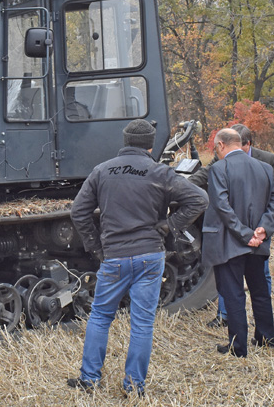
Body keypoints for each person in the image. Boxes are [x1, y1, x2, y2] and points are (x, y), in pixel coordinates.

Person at [66, 119, 208, 396]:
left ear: (125, 141)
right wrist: (170, 225)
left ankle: (89, 379)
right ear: (151, 145)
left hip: (115, 257)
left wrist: (95, 247)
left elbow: (78, 213)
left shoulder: (102, 171)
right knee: (142, 322)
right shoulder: (160, 172)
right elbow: (199, 200)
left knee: (100, 317)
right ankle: (133, 387)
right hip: (150, 257)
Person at [191, 124, 274, 327]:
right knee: (260, 292)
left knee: (234, 293)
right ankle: (266, 336)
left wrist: (247, 235)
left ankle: (238, 346)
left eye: (215, 149)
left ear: (221, 144)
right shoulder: (266, 168)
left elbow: (221, 205)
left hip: (231, 241)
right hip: (258, 240)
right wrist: (263, 230)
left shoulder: (220, 167)